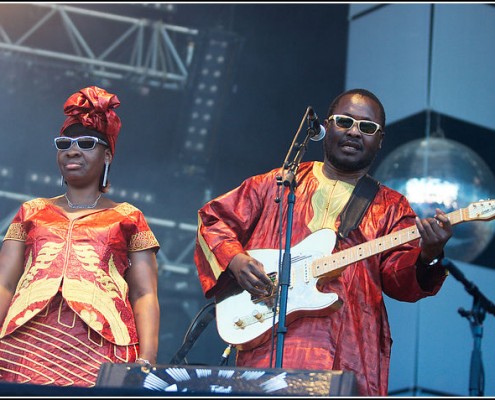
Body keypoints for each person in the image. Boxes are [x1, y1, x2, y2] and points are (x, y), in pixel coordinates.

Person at [194, 88, 453, 396]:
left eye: (367, 127)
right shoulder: (276, 184)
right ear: (326, 126)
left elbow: (399, 279)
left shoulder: (392, 207)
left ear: (379, 140)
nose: (354, 132)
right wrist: (237, 260)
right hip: (268, 342)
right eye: (345, 121)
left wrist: (429, 254)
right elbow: (213, 220)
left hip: (349, 350)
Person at [0, 86, 160, 387]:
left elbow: (144, 294)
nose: (72, 151)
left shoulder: (128, 216)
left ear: (108, 154)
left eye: (86, 143)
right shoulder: (31, 211)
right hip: (23, 346)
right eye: (64, 143)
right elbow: (4, 283)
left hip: (101, 346)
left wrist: (147, 361)